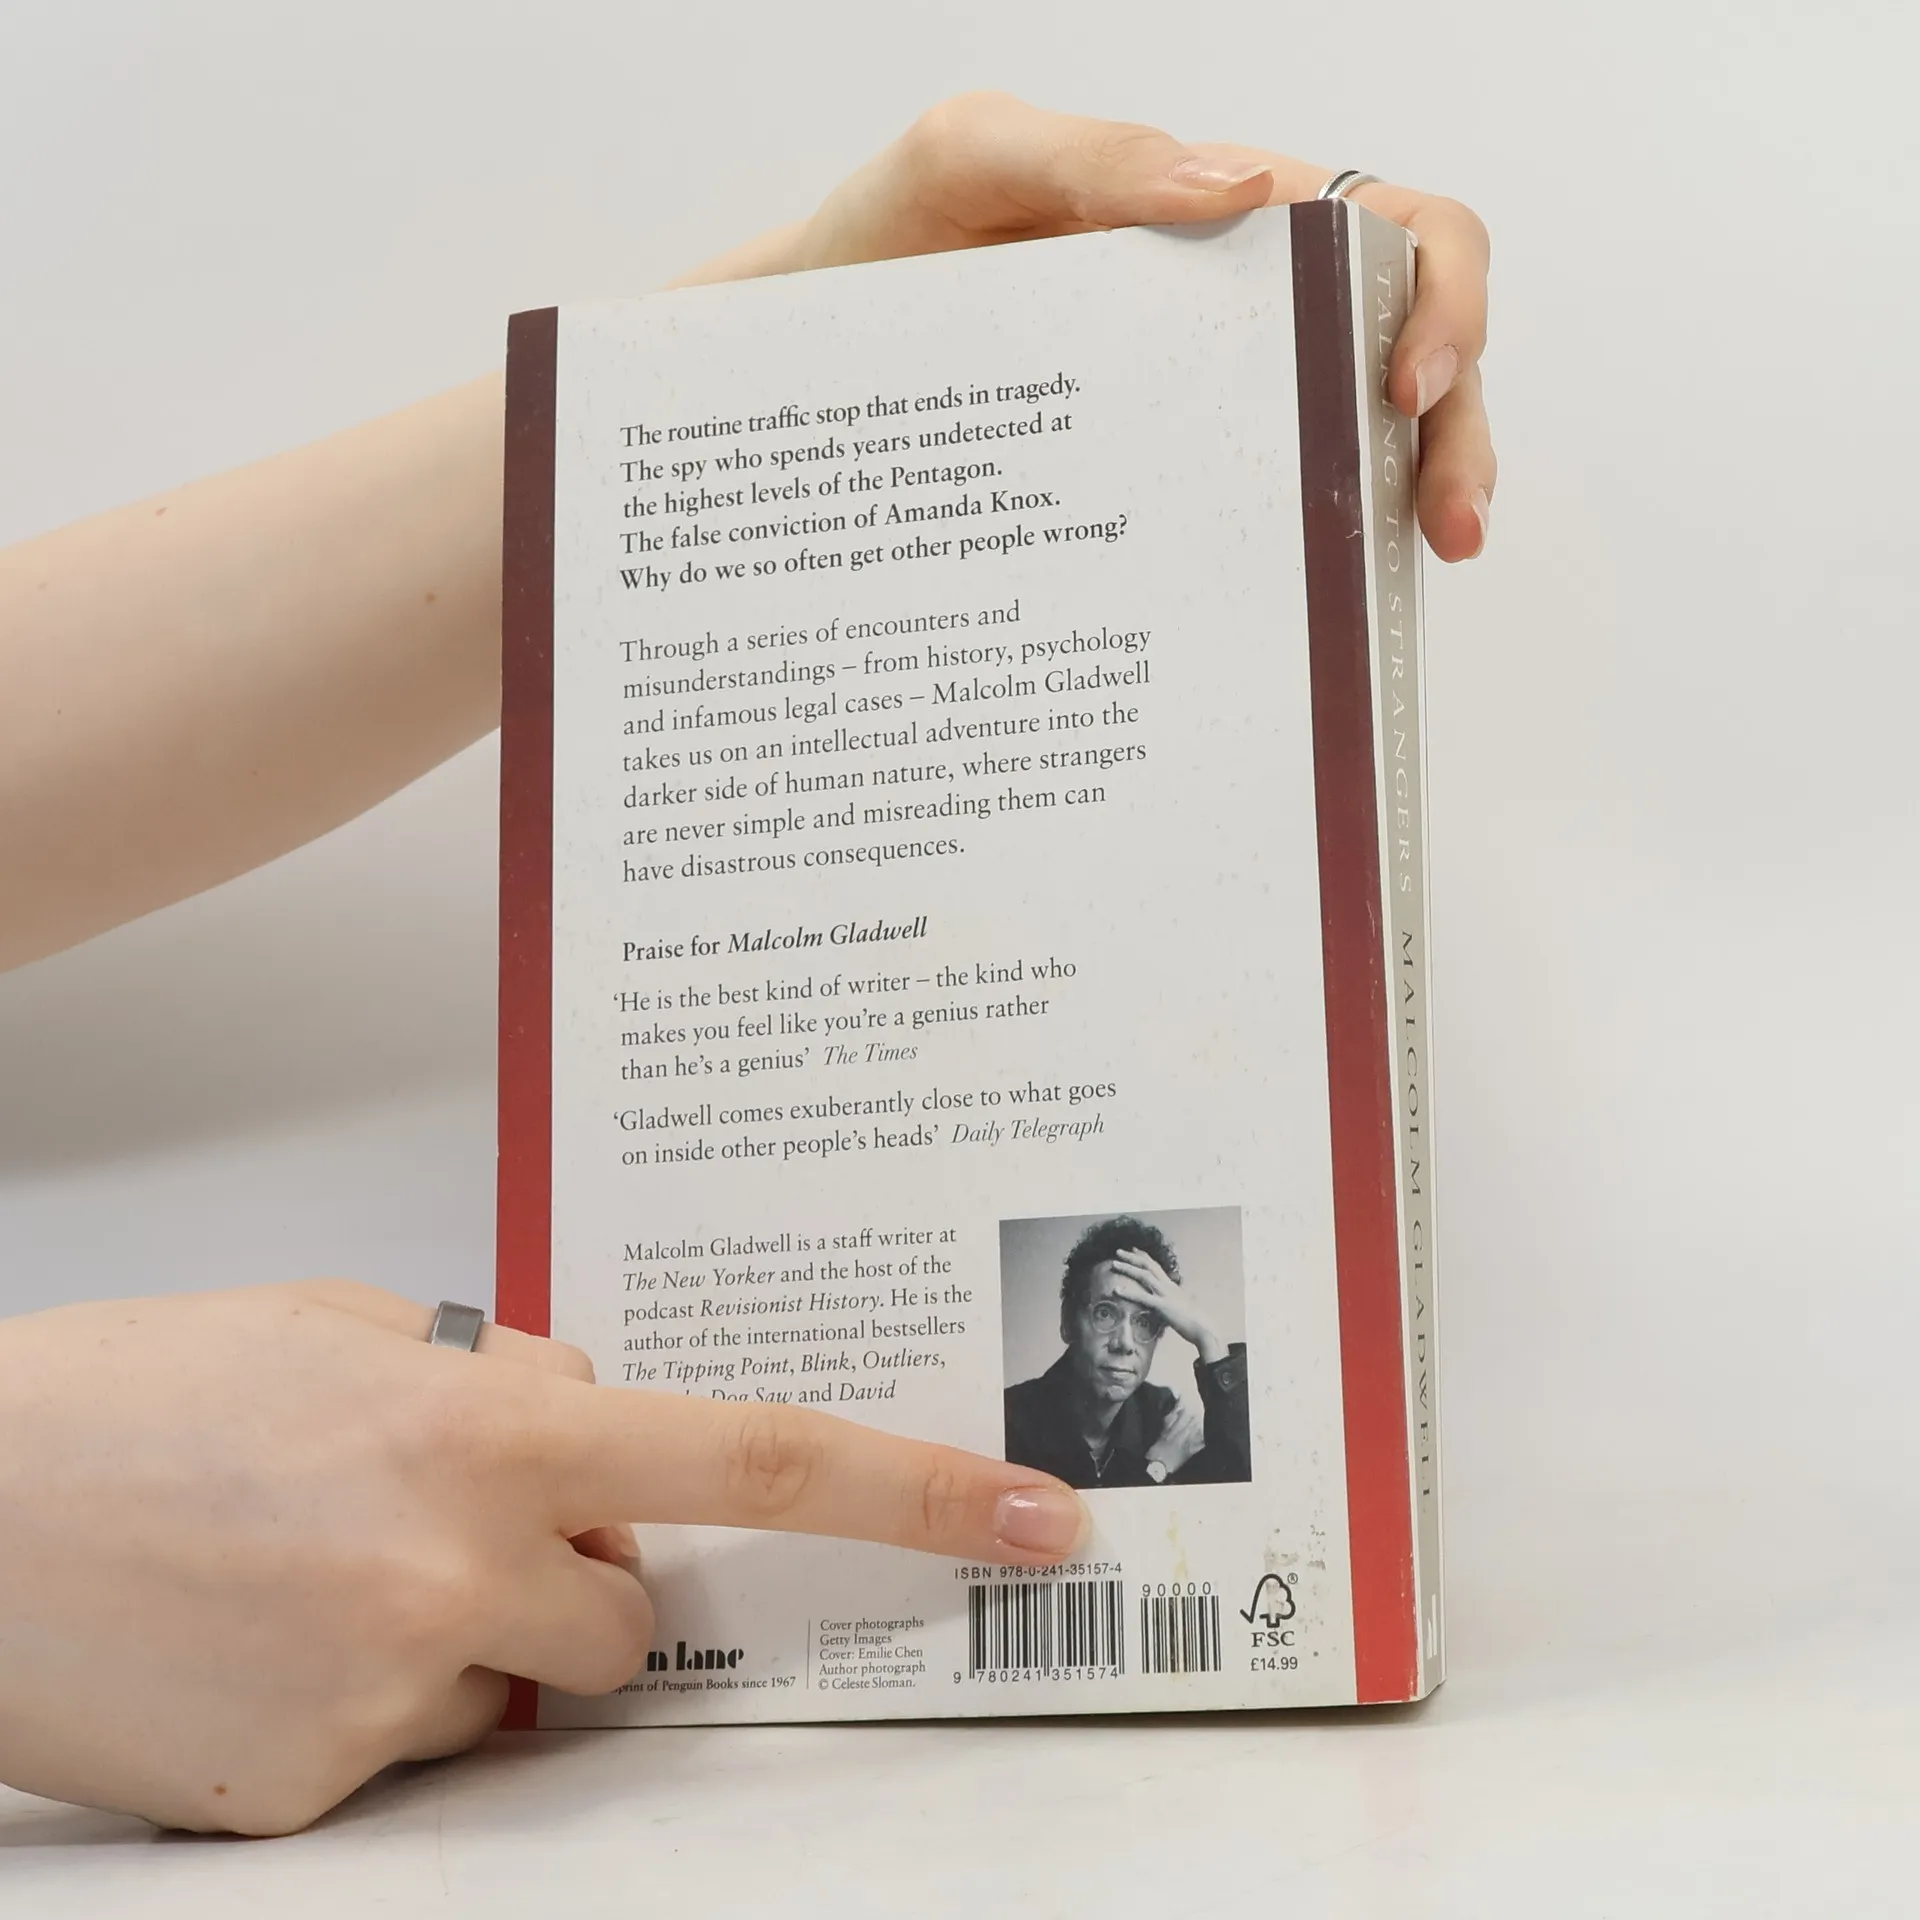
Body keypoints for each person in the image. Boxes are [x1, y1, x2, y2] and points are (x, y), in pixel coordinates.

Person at [0, 92, 1495, 1835]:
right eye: (1107, 1305)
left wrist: (760, 362)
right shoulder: (1045, 1405)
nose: (1119, 1335)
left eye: (1138, 1313)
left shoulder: (1181, 1415)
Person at [1004, 1217, 1251, 1489]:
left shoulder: (1162, 1415)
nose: (1124, 1343)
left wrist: (1209, 1339)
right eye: (1105, 1313)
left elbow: (1240, 1491)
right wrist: (1156, 1467)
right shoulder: (1009, 1421)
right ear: (1068, 1322)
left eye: (1144, 1321)